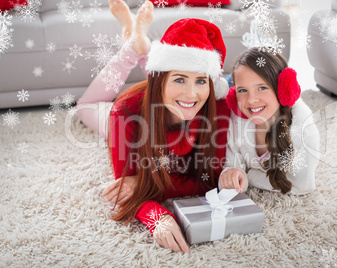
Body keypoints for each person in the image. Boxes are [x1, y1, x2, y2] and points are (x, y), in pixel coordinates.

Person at [77, 0, 231, 254]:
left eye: (201, 80)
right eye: (181, 79)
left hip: (159, 97)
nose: (193, 94)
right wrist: (155, 215)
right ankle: (133, 48)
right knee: (86, 107)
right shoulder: (124, 113)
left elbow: (209, 181)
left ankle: (141, 44)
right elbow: (123, 187)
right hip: (138, 114)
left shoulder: (216, 107)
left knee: (178, 91)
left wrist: (144, 183)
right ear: (157, 81)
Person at [219, 47, 320, 195]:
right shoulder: (237, 119)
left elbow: (302, 185)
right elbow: (231, 163)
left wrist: (249, 175)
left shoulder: (304, 129)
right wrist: (231, 175)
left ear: (283, 89)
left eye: (261, 87)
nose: (251, 100)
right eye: (242, 90)